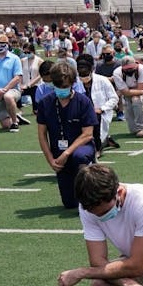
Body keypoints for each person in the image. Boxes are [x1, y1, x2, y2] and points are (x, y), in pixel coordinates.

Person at [34, 63, 99, 210]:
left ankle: (89, 173)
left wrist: (67, 152)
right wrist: (50, 160)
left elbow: (88, 134)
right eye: (58, 86)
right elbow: (42, 135)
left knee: (79, 157)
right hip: (59, 155)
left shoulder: (83, 102)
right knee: (70, 204)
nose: (62, 89)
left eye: (66, 86)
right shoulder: (45, 103)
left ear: (73, 84)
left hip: (81, 149)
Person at [112, 56, 143, 138]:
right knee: (132, 130)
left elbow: (140, 88)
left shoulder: (142, 69)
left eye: (131, 68)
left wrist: (129, 91)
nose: (129, 70)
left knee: (136, 100)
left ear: (136, 64)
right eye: (126, 69)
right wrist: (141, 91)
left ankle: (141, 128)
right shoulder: (117, 73)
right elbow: (126, 92)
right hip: (136, 94)